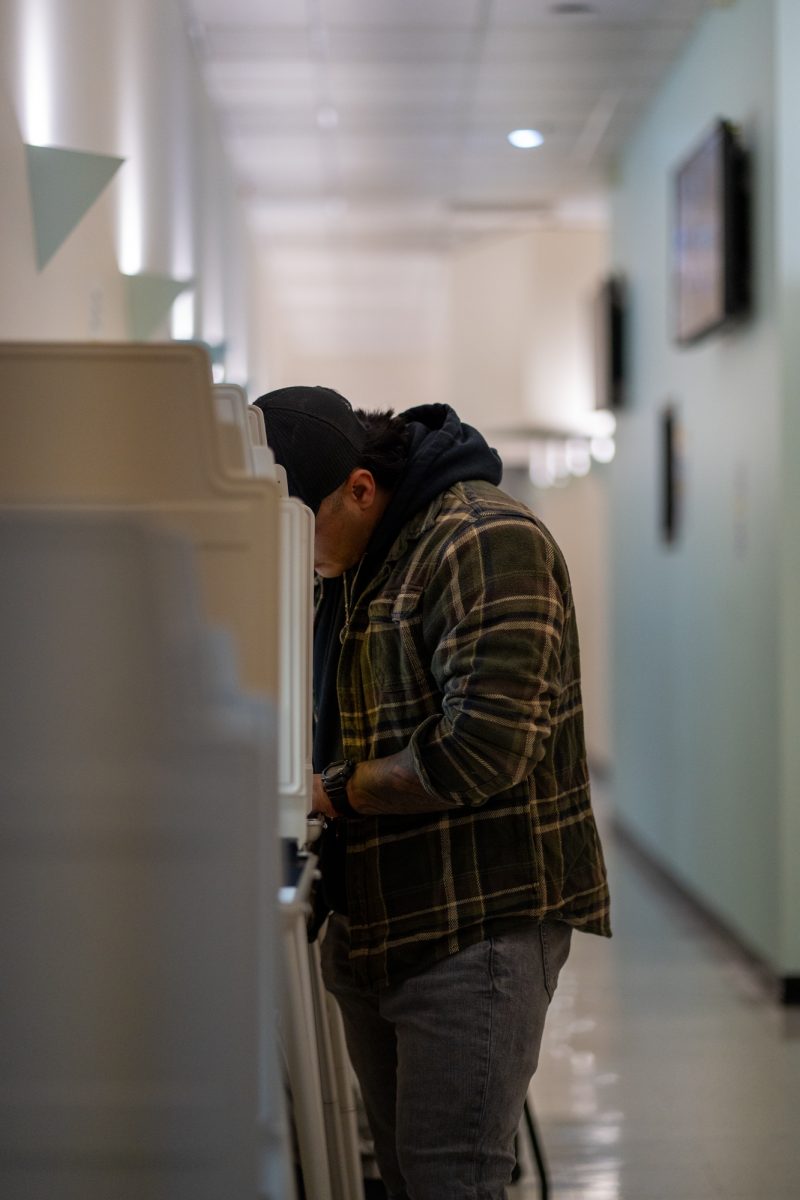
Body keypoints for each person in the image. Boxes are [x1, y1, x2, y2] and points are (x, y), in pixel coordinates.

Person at [254, 385, 611, 1200]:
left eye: (304, 529)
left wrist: (328, 794)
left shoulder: (484, 540)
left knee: (454, 1179)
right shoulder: (362, 559)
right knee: (411, 1175)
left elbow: (485, 749)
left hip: (474, 929)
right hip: (379, 922)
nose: (302, 554)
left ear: (360, 487)